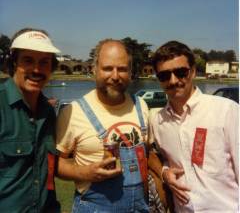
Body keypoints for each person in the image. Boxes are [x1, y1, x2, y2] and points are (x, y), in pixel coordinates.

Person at [56, 39, 149, 212]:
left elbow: (149, 153)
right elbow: (55, 163)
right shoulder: (72, 112)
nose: (115, 76)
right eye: (107, 68)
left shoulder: (141, 106)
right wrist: (85, 173)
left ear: (130, 72)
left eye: (122, 69)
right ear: (94, 69)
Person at [150, 40, 239, 213]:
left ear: (193, 72)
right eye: (164, 76)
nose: (173, 80)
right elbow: (167, 159)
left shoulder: (227, 111)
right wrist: (165, 173)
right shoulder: (158, 121)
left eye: (181, 72)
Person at [0, 28, 61, 212]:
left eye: (44, 62)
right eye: (28, 60)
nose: (36, 70)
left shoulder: (48, 112)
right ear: (13, 64)